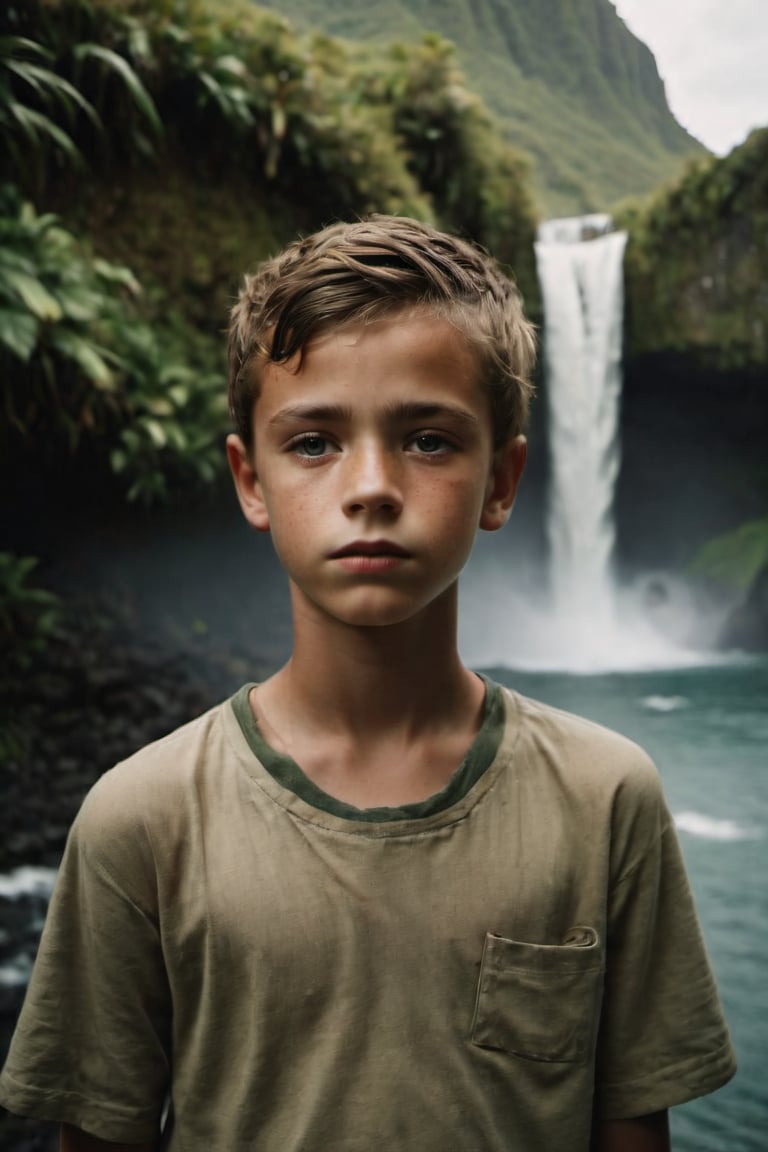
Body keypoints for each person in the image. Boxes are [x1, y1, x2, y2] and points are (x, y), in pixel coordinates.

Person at [0, 216, 735, 1151]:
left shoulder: (604, 800)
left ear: (502, 481)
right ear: (250, 480)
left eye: (428, 440)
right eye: (313, 444)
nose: (372, 486)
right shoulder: (141, 820)